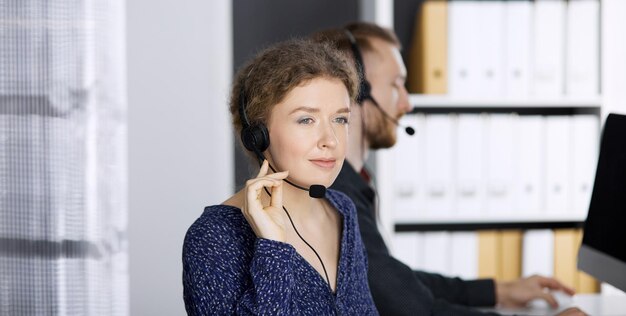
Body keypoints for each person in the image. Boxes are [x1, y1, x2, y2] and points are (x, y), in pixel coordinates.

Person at [314, 22, 585, 316]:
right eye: (396, 85)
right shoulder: (337, 194)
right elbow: (414, 309)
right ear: (359, 90)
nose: (406, 103)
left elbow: (396, 283)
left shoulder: (350, 181)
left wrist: (496, 290)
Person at [182, 38, 378, 315]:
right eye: (306, 120)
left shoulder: (343, 211)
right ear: (258, 136)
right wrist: (272, 248)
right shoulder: (213, 236)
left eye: (340, 119)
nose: (330, 140)